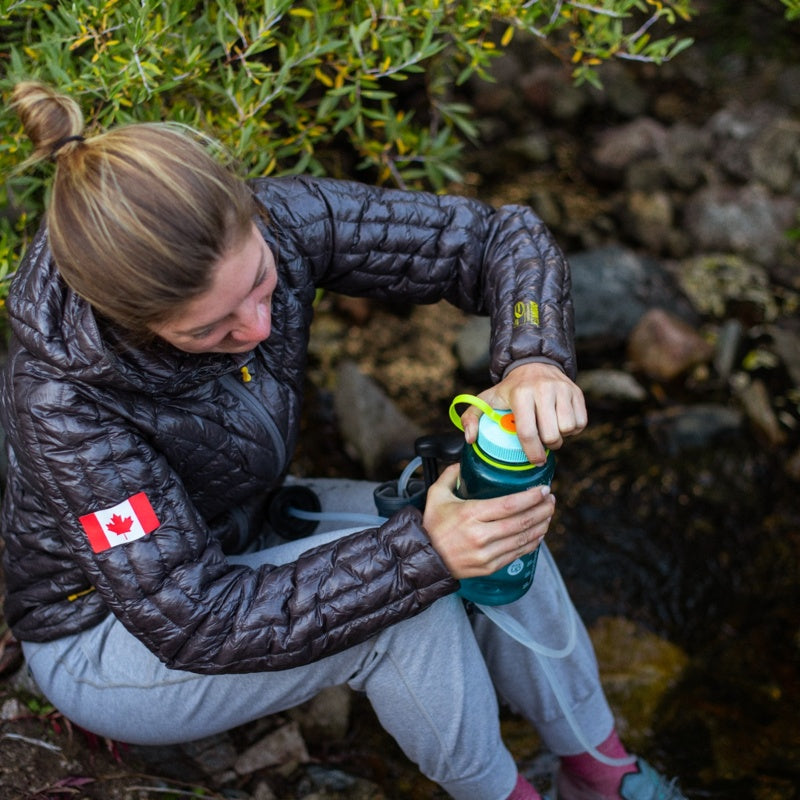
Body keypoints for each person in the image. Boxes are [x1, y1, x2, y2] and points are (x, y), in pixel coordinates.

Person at [0, 81, 687, 800]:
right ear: (131, 322)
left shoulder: (283, 219)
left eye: (262, 284)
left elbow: (497, 239)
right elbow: (192, 619)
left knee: (500, 524)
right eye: (210, 330)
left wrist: (533, 357)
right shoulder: (66, 407)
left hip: (248, 533)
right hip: (111, 636)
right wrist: (424, 552)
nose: (258, 330)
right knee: (407, 611)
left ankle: (600, 771)